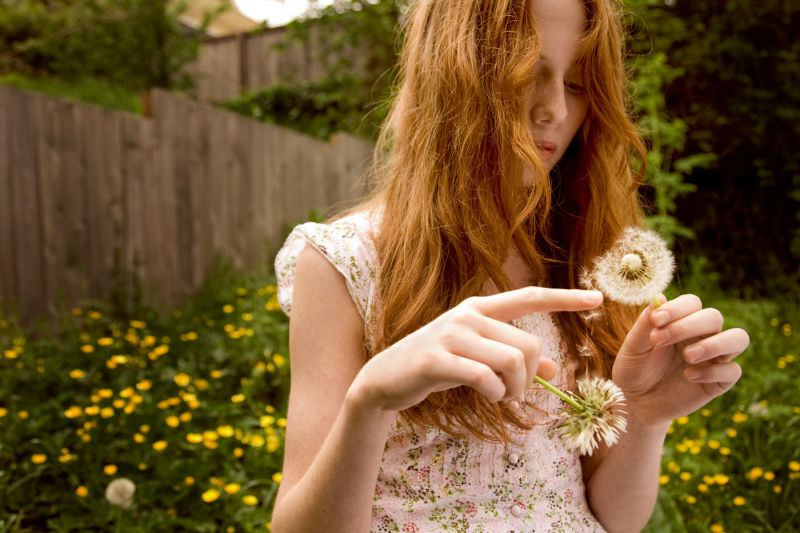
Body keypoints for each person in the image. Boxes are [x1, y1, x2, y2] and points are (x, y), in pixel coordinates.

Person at [270, 0, 750, 531]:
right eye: (527, 73)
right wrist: (371, 401)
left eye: (577, 83)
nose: (556, 112)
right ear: (452, 76)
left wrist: (646, 418)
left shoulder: (587, 259)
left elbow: (614, 518)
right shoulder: (347, 261)